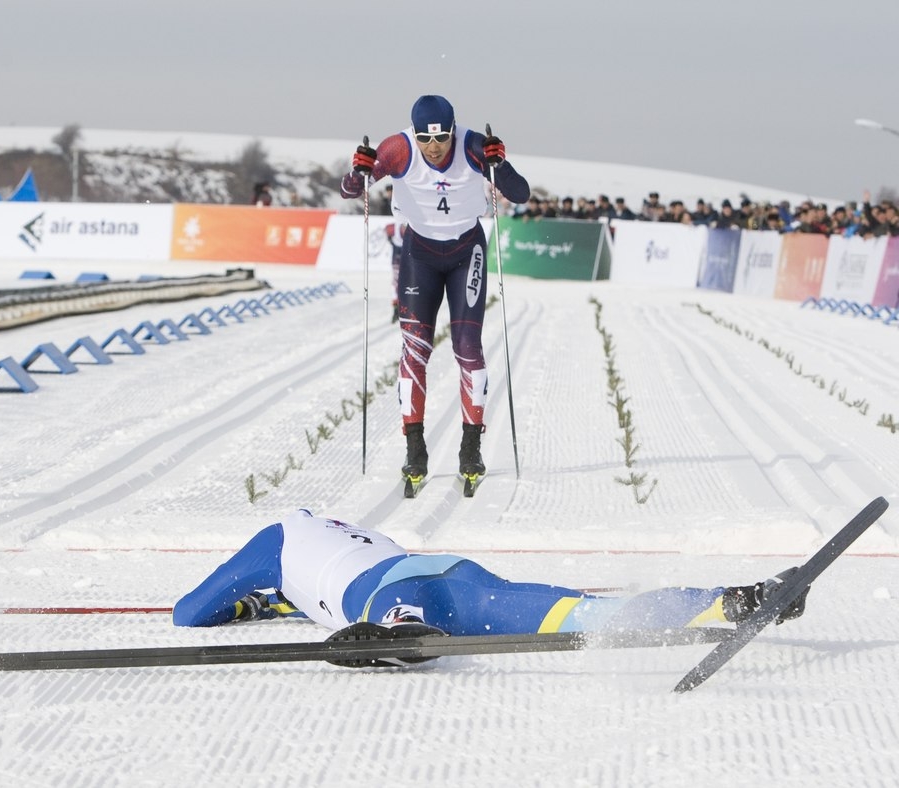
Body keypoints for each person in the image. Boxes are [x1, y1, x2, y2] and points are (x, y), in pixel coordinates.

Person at [173, 509, 808, 638]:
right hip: (452, 572)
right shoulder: (342, 527)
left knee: (400, 630)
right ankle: (739, 599)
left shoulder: (273, 538)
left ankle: (398, 635)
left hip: (390, 592)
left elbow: (189, 612)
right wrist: (281, 602)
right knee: (590, 614)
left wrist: (249, 603)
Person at [339, 95, 530, 482]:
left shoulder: (473, 145)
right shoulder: (398, 149)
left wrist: (500, 164)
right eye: (426, 139)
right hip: (419, 255)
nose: (435, 146)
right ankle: (415, 449)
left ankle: (471, 446)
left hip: (466, 251)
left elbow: (521, 194)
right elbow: (349, 190)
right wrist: (357, 170)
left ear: (453, 129)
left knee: (467, 348)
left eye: (442, 136)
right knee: (414, 351)